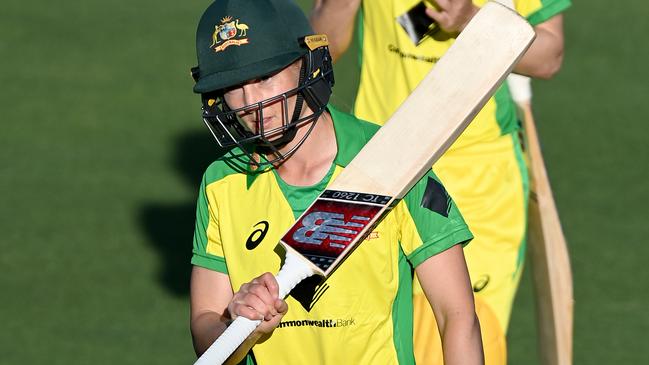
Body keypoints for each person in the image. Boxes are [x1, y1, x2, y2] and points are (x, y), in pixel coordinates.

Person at [188, 0, 484, 364]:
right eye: (233, 86)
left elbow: (457, 317)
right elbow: (206, 328)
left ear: (306, 65)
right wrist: (238, 325)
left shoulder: (393, 159)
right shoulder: (221, 183)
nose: (250, 103)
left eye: (264, 77)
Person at [309, 0, 570, 363]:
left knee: (466, 334)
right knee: (355, 337)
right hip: (375, 164)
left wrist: (471, 19)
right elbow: (323, 49)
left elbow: (548, 56)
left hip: (478, 180)